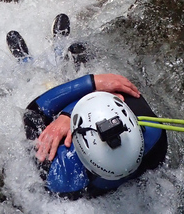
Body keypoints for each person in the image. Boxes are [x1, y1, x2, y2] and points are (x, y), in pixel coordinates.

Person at [24, 73, 168, 198]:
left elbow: (32, 114)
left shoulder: (63, 174)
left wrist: (91, 84)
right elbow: (118, 86)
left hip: (84, 186)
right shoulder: (154, 133)